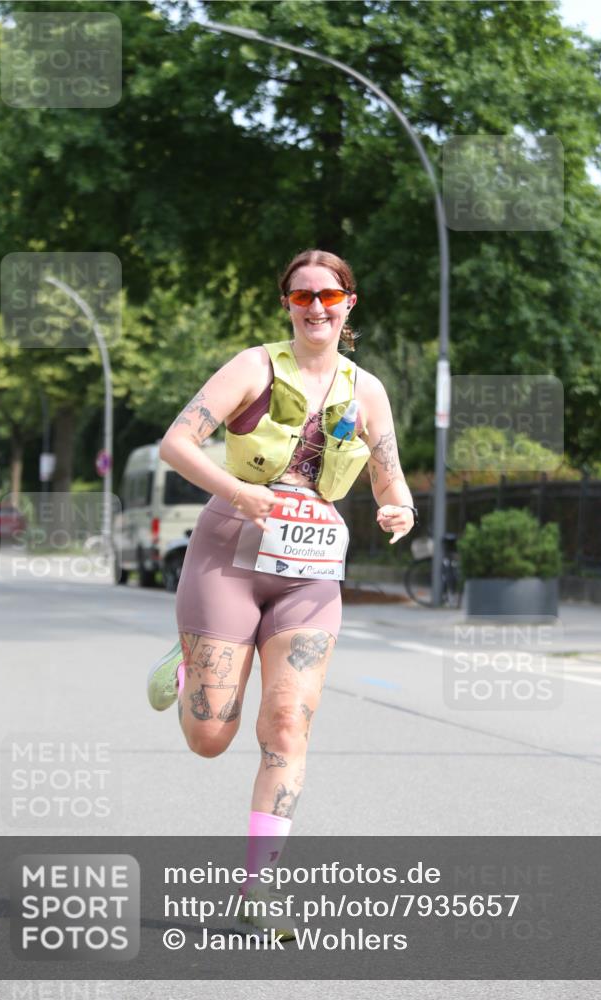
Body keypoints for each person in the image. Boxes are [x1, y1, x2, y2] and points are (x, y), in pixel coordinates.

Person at [147, 249, 417, 937]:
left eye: (329, 296)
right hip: (229, 553)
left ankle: (258, 887)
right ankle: (187, 669)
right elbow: (176, 444)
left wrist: (399, 511)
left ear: (349, 303)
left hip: (312, 570)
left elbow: (389, 479)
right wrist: (238, 491)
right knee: (211, 735)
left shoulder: (368, 391)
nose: (316, 307)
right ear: (287, 303)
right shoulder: (254, 367)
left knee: (289, 723)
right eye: (302, 296)